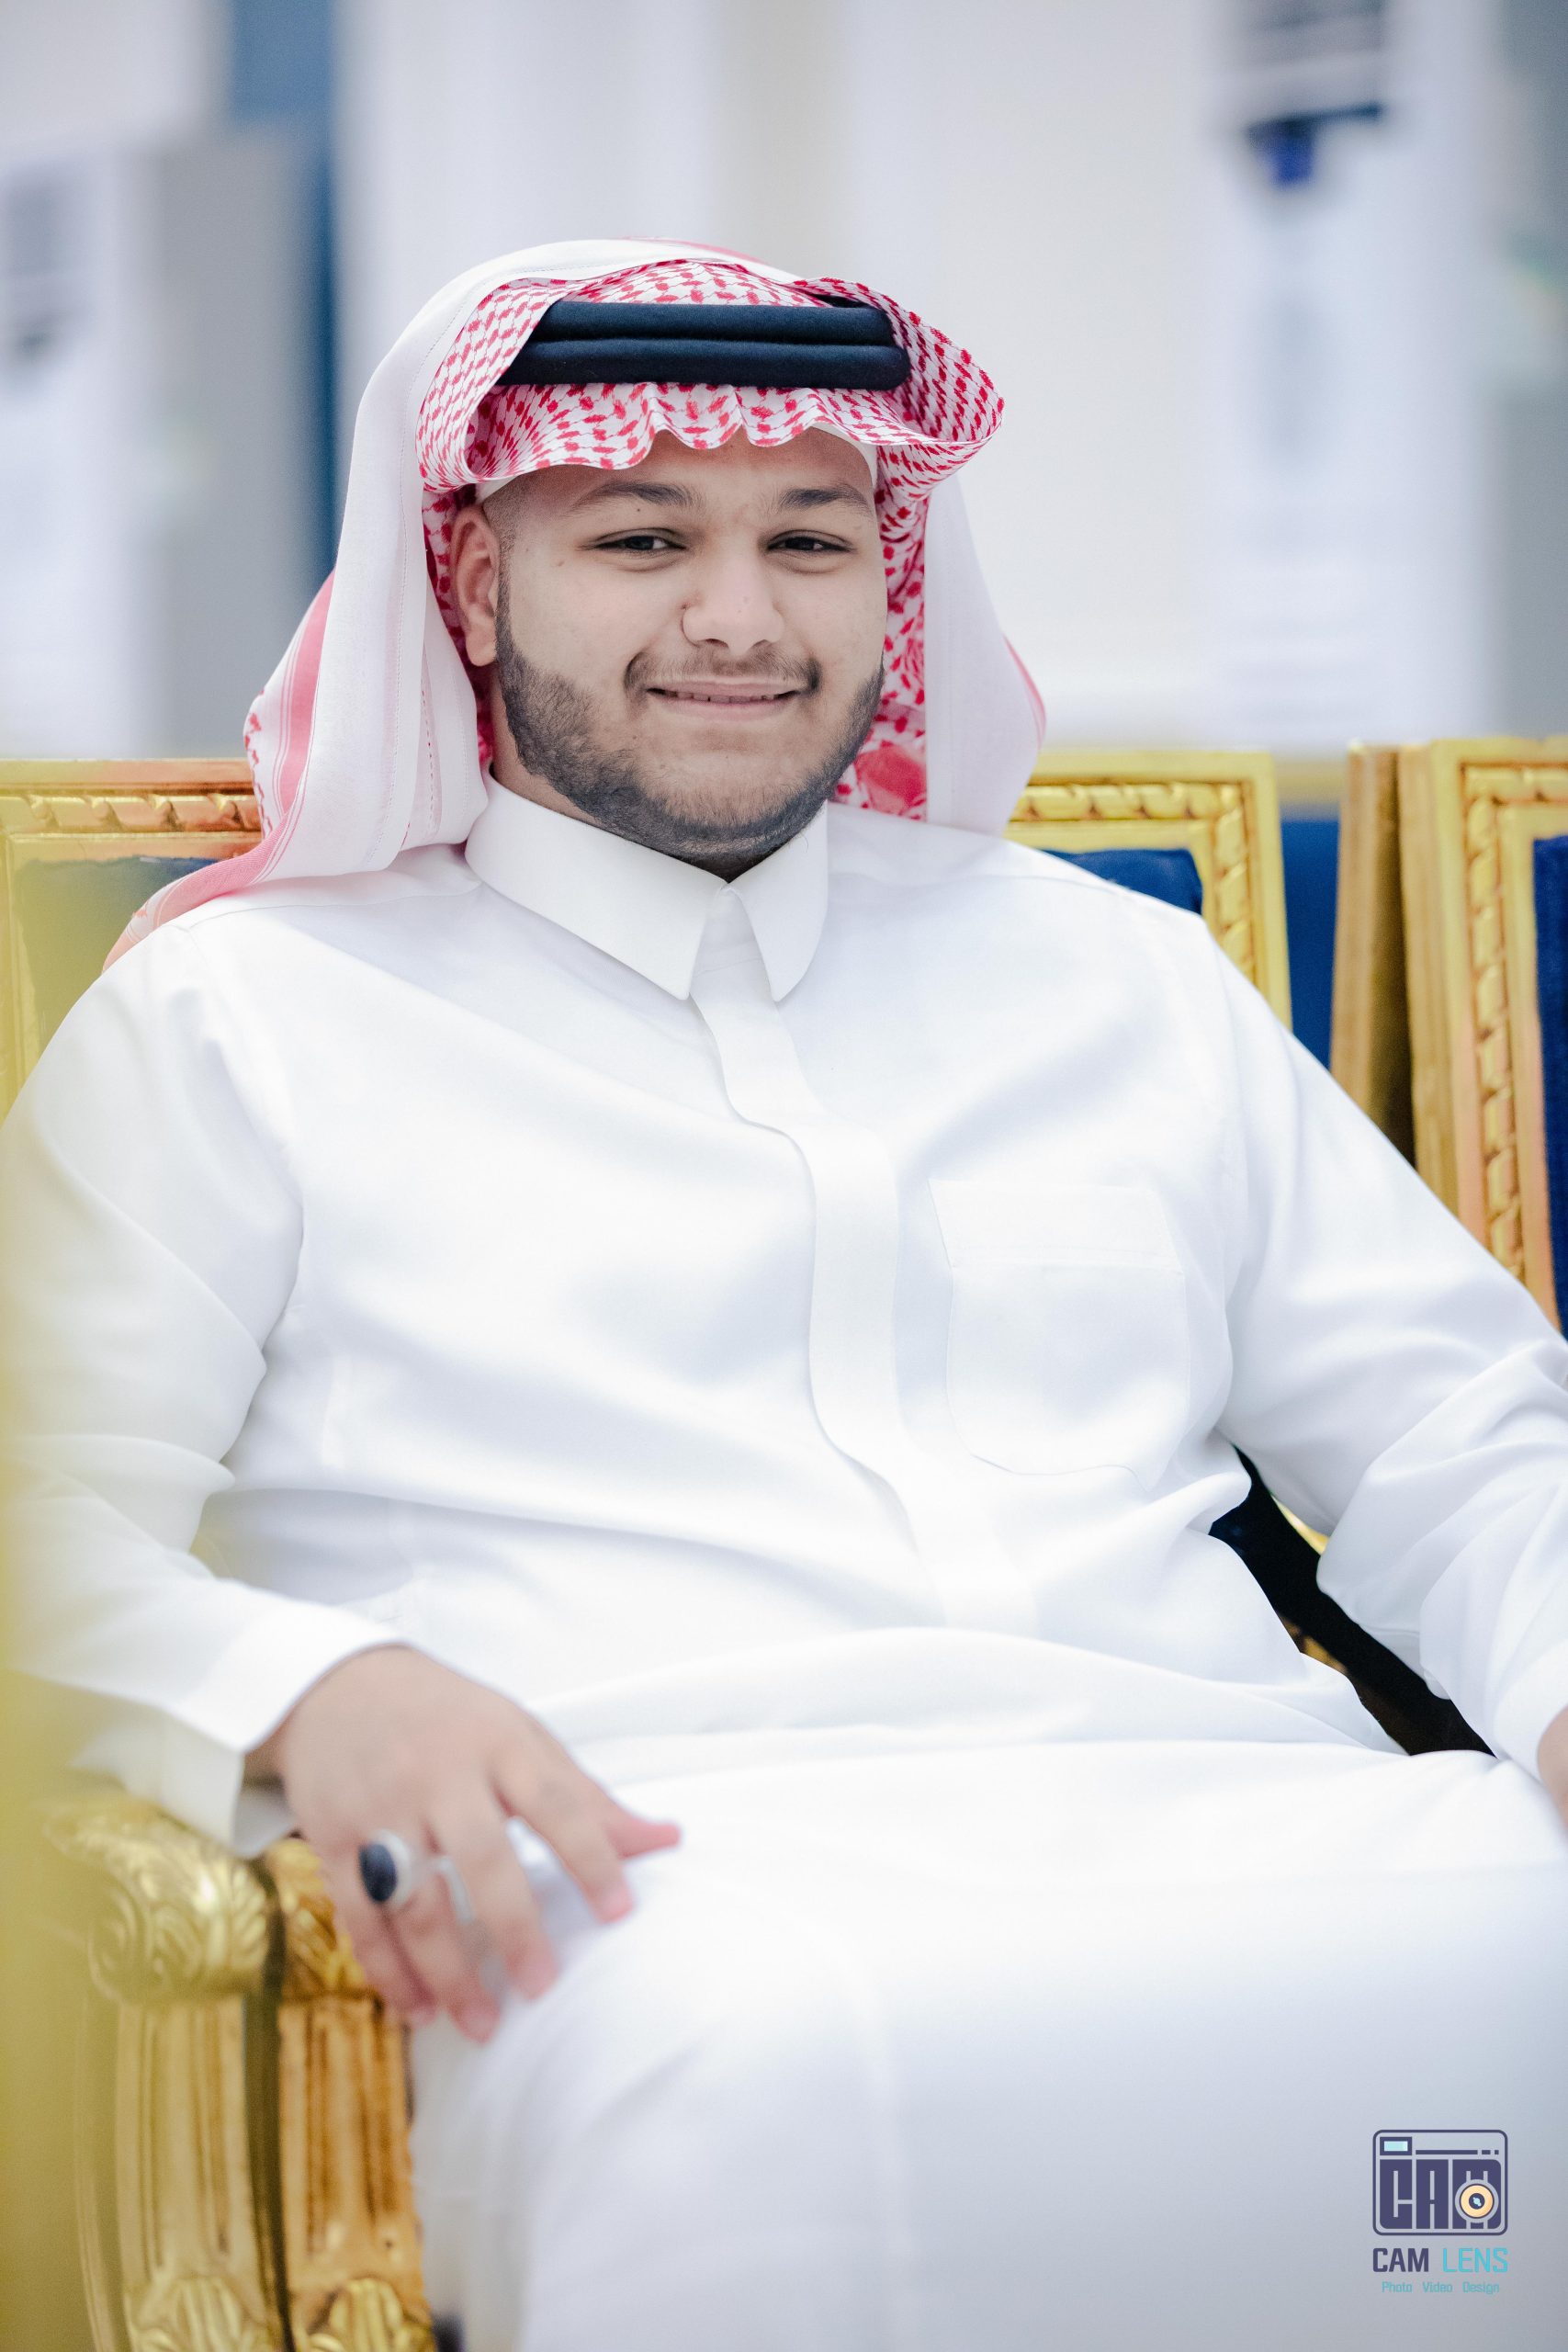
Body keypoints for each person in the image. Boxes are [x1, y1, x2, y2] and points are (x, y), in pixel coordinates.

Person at [5, 238, 1568, 2352]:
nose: (738, 616)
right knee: (752, 2061)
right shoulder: (244, 1015)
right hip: (639, 1876)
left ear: (888, 574)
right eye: (640, 537)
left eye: (809, 539)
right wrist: (308, 1686)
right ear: (470, 581)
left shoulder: (1112, 978)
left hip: (1268, 1817)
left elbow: (1456, 1427)